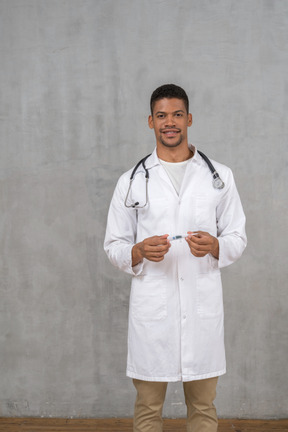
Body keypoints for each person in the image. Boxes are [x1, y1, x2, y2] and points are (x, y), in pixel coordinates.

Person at [104, 84, 247, 432]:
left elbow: (237, 237)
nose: (171, 123)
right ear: (150, 122)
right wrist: (137, 252)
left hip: (201, 309)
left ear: (189, 119)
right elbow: (114, 245)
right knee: (149, 408)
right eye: (162, 116)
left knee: (203, 406)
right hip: (155, 310)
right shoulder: (131, 181)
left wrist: (215, 245)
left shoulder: (220, 177)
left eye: (177, 115)